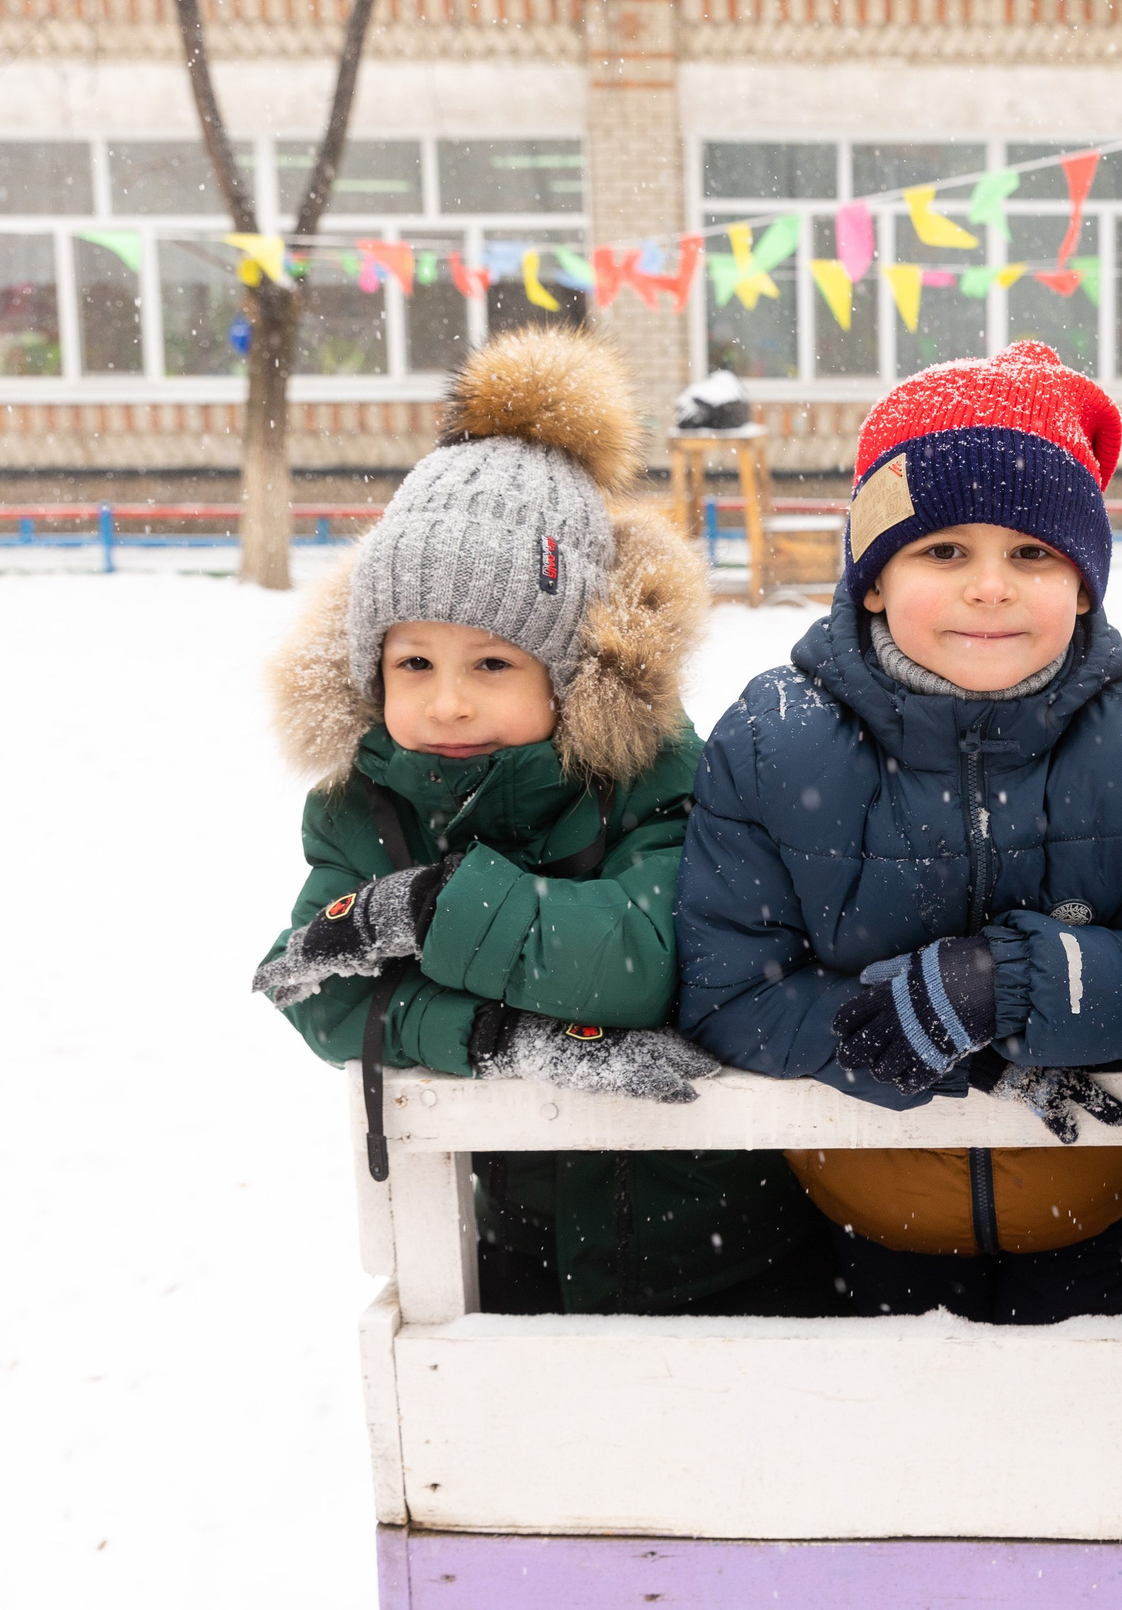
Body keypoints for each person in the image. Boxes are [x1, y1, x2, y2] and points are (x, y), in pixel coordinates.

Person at [254, 324, 837, 1317]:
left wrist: (430, 911)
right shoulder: (365, 804)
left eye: (491, 665)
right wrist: (495, 1036)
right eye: (413, 664)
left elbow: (642, 959)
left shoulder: (654, 777)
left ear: (568, 670)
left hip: (724, 1242)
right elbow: (317, 986)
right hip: (516, 1250)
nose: (446, 702)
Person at [674, 341, 1122, 1326]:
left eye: (1032, 553)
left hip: (1091, 1210)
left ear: (1084, 583)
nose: (991, 586)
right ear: (871, 579)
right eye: (944, 551)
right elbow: (728, 990)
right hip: (862, 1208)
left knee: (1092, 1462)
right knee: (893, 1467)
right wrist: (922, 1033)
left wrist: (1006, 987)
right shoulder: (773, 741)